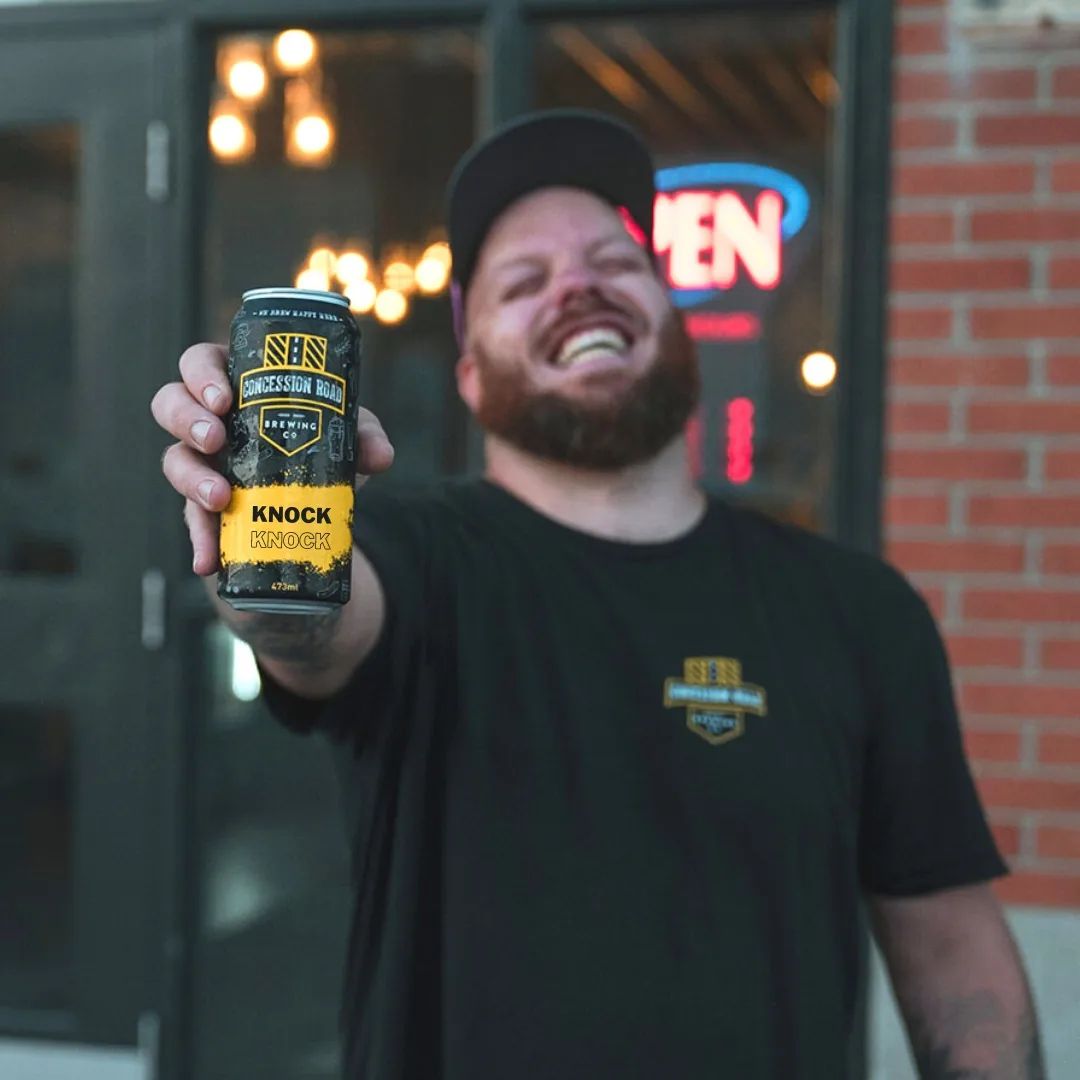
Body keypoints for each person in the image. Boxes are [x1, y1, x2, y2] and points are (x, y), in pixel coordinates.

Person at [152, 110, 1045, 1079]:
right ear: (470, 373)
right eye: (524, 282)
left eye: (617, 263)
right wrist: (258, 503)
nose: (577, 285)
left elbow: (951, 944)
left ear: (672, 316)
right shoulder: (416, 558)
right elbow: (307, 623)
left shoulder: (860, 611)